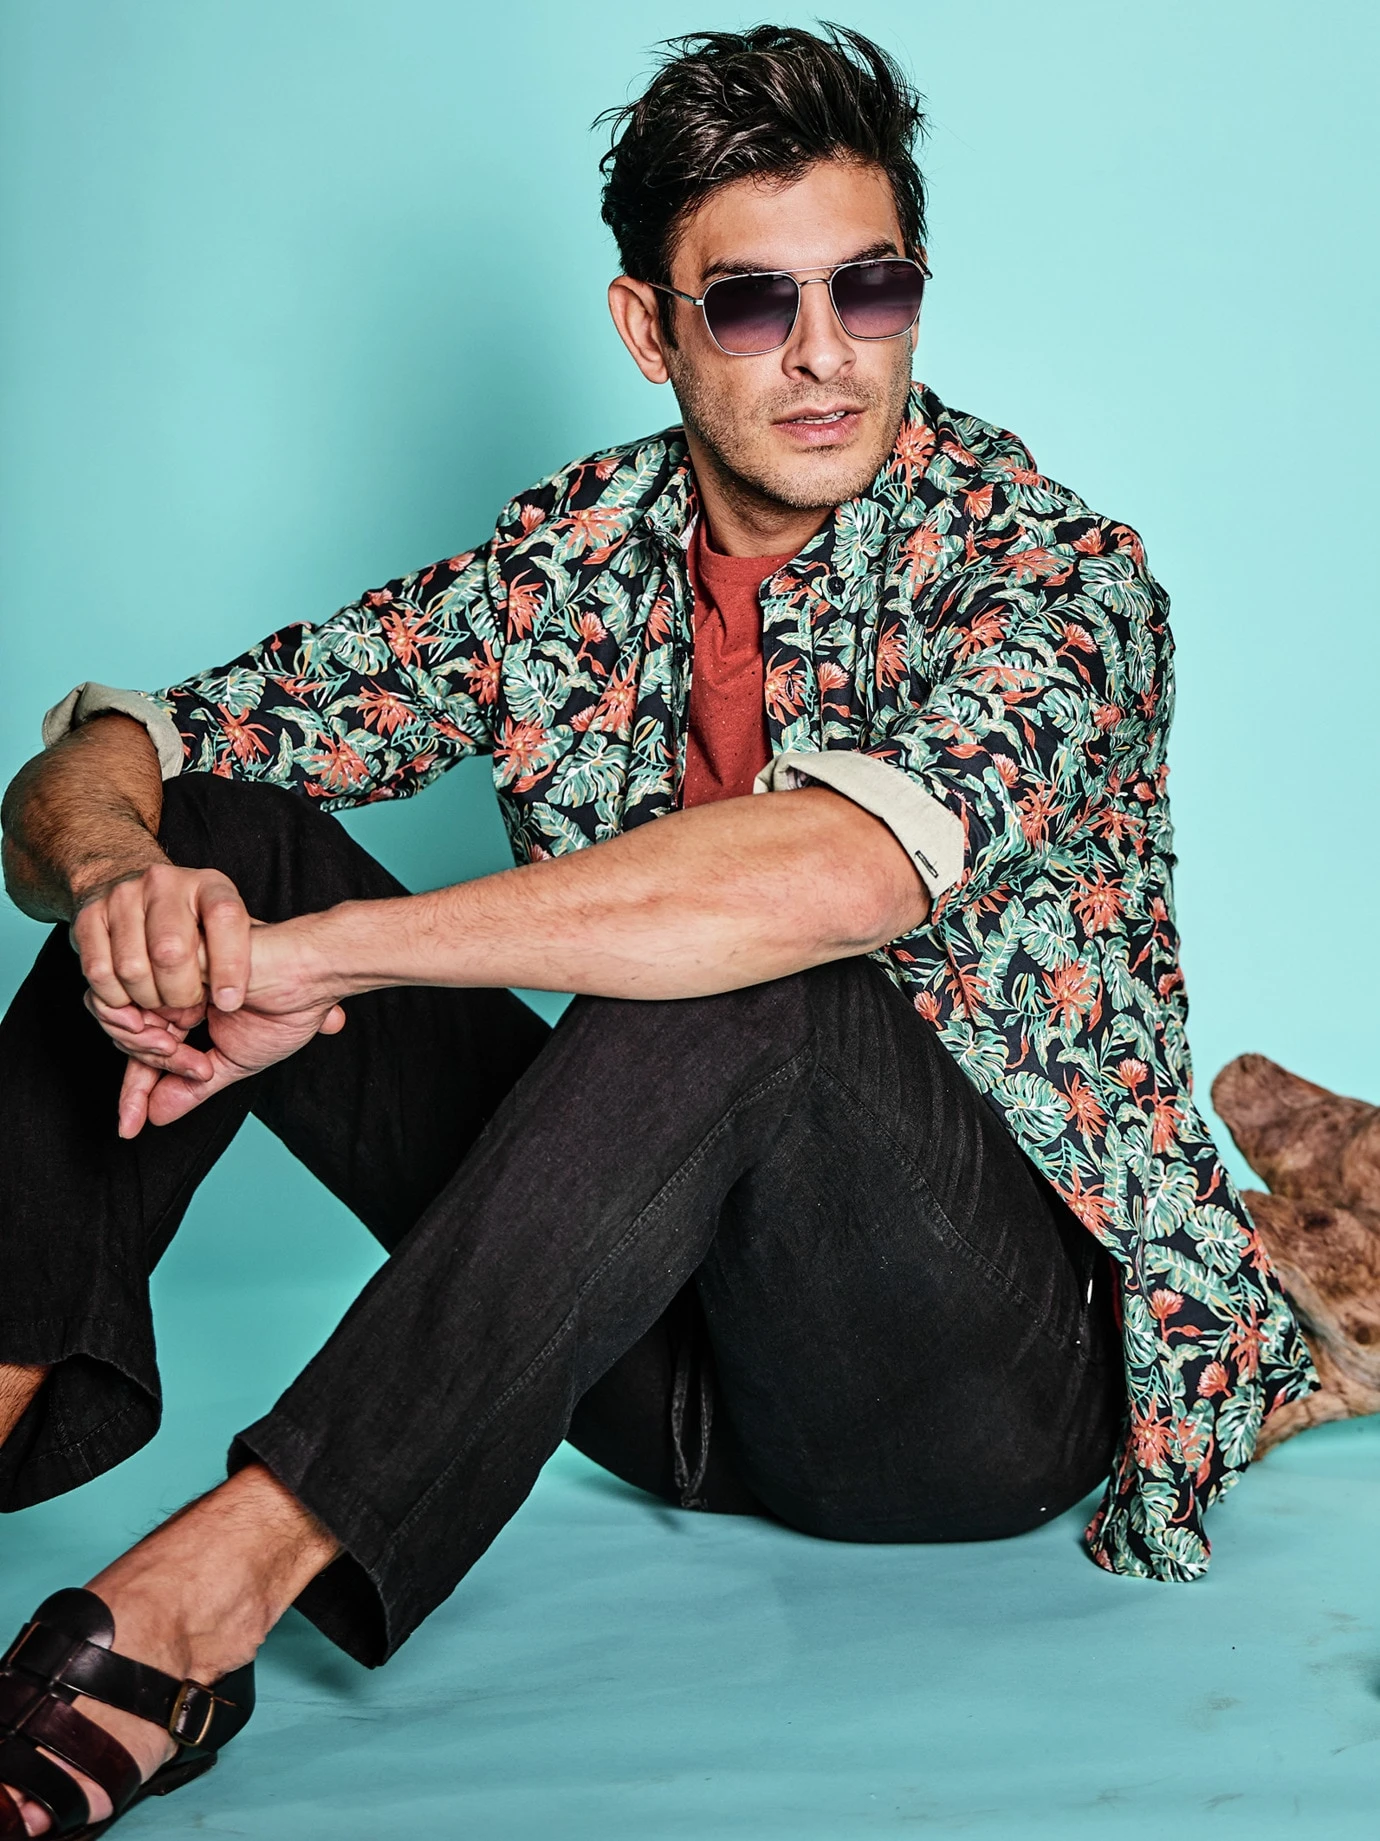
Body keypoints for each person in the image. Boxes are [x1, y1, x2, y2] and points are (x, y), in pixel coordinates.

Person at [0, 23, 1316, 1837]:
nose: (828, 353)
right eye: (758, 303)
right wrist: (130, 896)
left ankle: (205, 1590)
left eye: (872, 287)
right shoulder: (563, 560)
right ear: (650, 328)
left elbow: (834, 878)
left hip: (980, 1386)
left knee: (752, 955)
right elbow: (113, 751)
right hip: (651, 1356)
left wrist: (313, 965)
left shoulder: (1050, 574)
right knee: (217, 843)